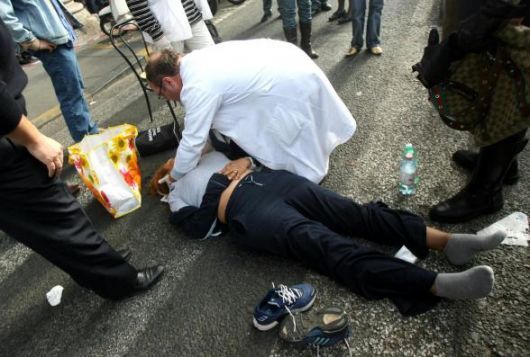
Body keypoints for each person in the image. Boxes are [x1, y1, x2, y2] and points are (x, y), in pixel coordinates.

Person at [151, 151, 504, 316]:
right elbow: (202, 228)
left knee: (356, 214)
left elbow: (249, 155)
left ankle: (450, 242)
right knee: (328, 245)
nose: (172, 164)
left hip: (275, 182)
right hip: (251, 212)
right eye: (165, 169)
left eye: (174, 159)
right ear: (164, 181)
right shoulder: (177, 195)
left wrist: (243, 161)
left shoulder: (209, 153)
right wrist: (209, 187)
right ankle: (433, 283)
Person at [0, 18, 164, 300]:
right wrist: (33, 139)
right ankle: (118, 280)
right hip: (7, 140)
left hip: (8, 129)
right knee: (59, 216)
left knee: (40, 224)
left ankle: (96, 267)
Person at [146, 39, 356, 184]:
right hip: (286, 60)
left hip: (288, 81)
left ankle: (310, 177)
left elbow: (193, 140)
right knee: (294, 127)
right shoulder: (193, 61)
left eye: (160, 94)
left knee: (289, 138)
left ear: (168, 82)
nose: (164, 99)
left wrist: (174, 176)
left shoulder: (196, 87)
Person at [413, 0, 529, 223]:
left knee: (511, 96)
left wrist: (500, 10)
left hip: (514, 17)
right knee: (497, 88)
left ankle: (485, 193)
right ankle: (502, 165)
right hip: (502, 15)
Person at [0, 0, 99, 143]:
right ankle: (87, 142)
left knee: (76, 91)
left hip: (58, 37)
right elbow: (4, 16)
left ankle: (90, 133)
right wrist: (32, 41)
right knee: (71, 96)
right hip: (50, 41)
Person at [126, 0, 214, 53]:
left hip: (193, 17)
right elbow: (137, 5)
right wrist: (158, 37)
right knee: (177, 76)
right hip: (165, 31)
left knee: (210, 62)